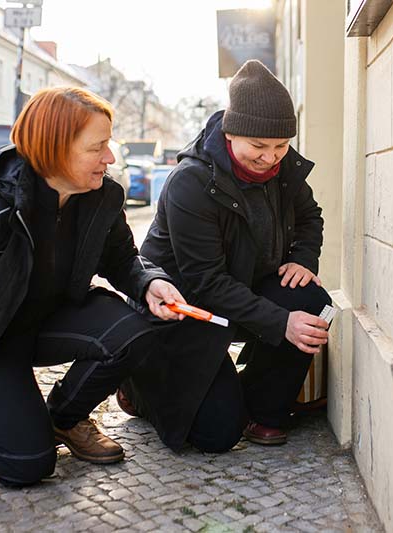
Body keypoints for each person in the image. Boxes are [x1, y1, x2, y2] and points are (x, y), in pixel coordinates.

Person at [0, 86, 186, 487]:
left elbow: (122, 259)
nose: (110, 157)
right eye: (97, 147)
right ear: (55, 147)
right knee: (27, 466)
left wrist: (150, 282)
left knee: (136, 331)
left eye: (109, 144)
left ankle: (64, 419)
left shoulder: (101, 196)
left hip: (47, 320)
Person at [118, 60, 331, 453]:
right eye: (259, 147)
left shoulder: (282, 168)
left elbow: (309, 217)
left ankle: (263, 411)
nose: (271, 158)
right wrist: (280, 321)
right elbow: (205, 282)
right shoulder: (192, 183)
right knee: (215, 435)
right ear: (231, 133)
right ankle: (138, 384)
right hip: (186, 309)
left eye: (281, 146)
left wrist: (304, 257)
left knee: (309, 298)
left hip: (242, 291)